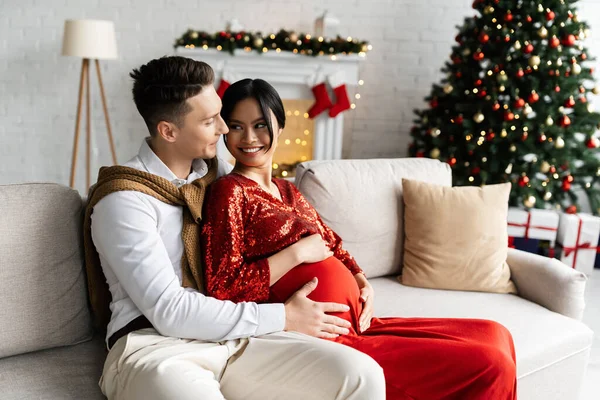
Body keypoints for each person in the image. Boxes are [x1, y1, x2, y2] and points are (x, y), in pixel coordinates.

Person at [86, 56, 386, 400]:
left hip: (237, 342)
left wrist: (354, 274)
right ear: (168, 131)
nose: (225, 130)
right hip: (157, 347)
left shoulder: (215, 173)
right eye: (211, 121)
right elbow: (170, 312)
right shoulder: (124, 201)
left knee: (360, 375)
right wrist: (283, 317)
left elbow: (279, 207)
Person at [201, 78, 518, 400]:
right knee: (489, 363)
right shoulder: (229, 191)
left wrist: (360, 279)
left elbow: (334, 244)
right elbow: (223, 285)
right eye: (237, 126)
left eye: (259, 125)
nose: (249, 138)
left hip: (360, 322)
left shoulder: (288, 190)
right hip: (329, 338)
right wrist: (295, 254)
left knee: (496, 334)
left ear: (279, 126)